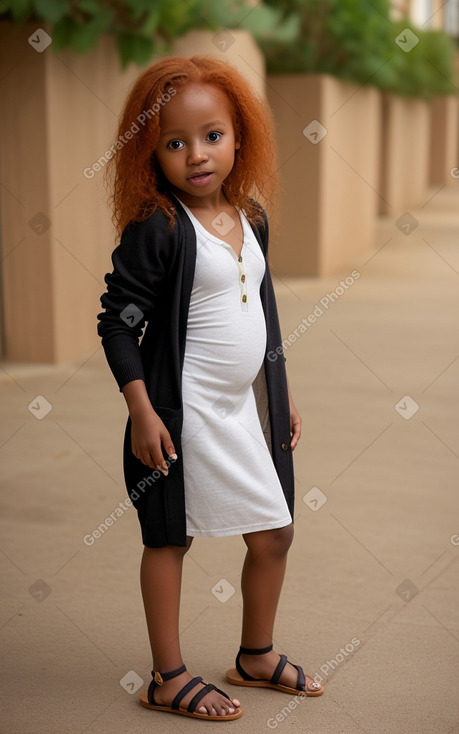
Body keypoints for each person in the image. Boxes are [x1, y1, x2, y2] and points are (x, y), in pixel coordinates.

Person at [97, 55, 324, 722]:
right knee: (169, 539)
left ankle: (255, 653)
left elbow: (254, 313)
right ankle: (167, 677)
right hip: (180, 412)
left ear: (239, 136)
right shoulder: (159, 227)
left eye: (212, 135)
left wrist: (274, 393)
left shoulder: (249, 216)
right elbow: (118, 323)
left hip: (239, 412)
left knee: (274, 532)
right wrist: (142, 411)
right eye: (174, 142)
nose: (196, 155)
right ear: (151, 151)